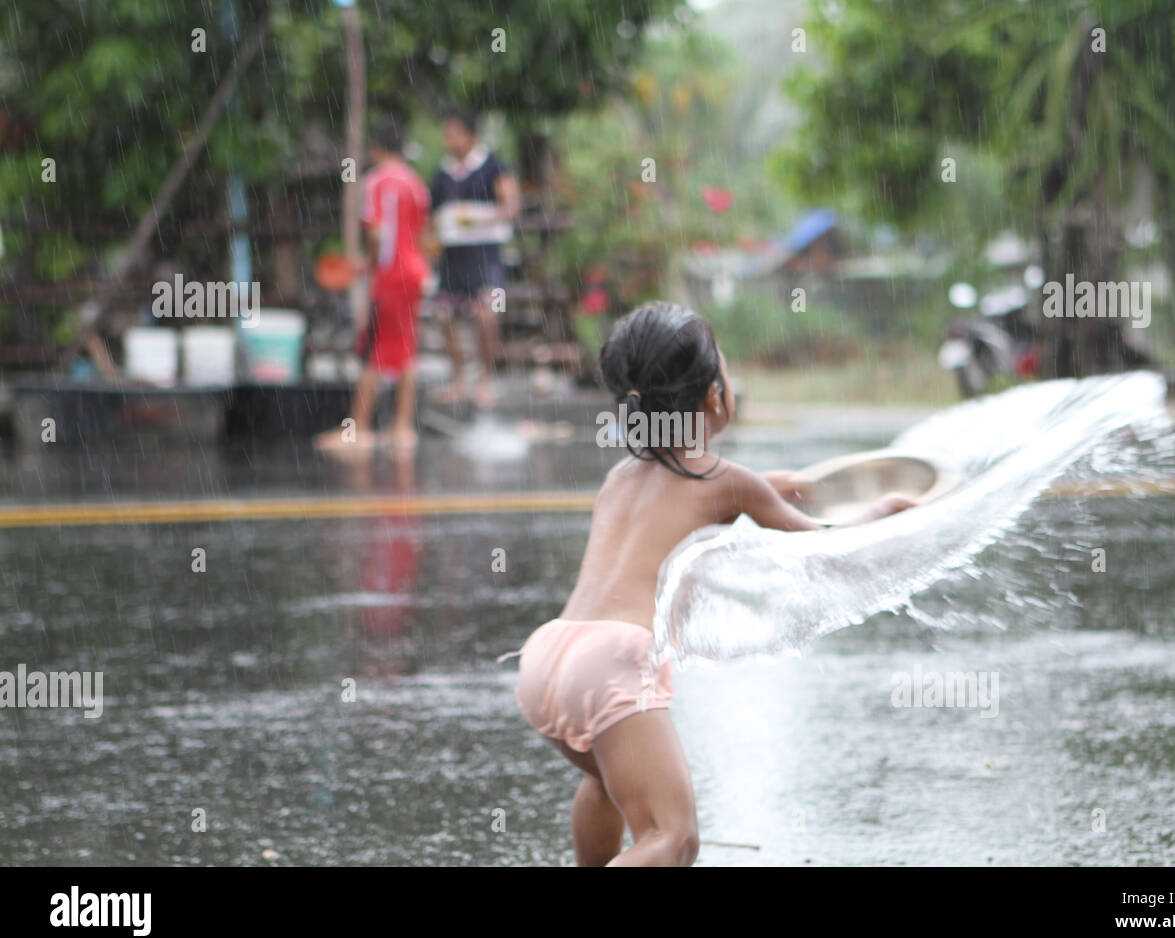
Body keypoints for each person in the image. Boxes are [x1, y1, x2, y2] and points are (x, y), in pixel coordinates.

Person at [501, 302, 917, 866]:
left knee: (607, 782)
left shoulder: (623, 476)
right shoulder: (728, 481)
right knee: (673, 839)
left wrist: (761, 490)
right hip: (612, 663)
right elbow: (823, 548)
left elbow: (683, 500)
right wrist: (886, 512)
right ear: (715, 397)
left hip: (550, 656)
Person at [316, 119, 430, 452]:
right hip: (414, 273)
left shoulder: (375, 182)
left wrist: (369, 262)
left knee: (375, 352)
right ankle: (401, 428)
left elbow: (379, 232)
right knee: (406, 350)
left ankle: (359, 429)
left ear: (376, 149)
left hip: (390, 276)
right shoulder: (416, 184)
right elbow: (421, 234)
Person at [427, 108, 521, 409]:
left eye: (455, 133)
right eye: (448, 134)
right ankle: (459, 379)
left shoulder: (493, 166)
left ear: (471, 135)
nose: (450, 140)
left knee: (486, 314)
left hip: (486, 253)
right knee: (443, 314)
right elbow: (431, 217)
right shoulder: (442, 174)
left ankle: (485, 379)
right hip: (453, 255)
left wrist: (477, 219)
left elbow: (511, 206)